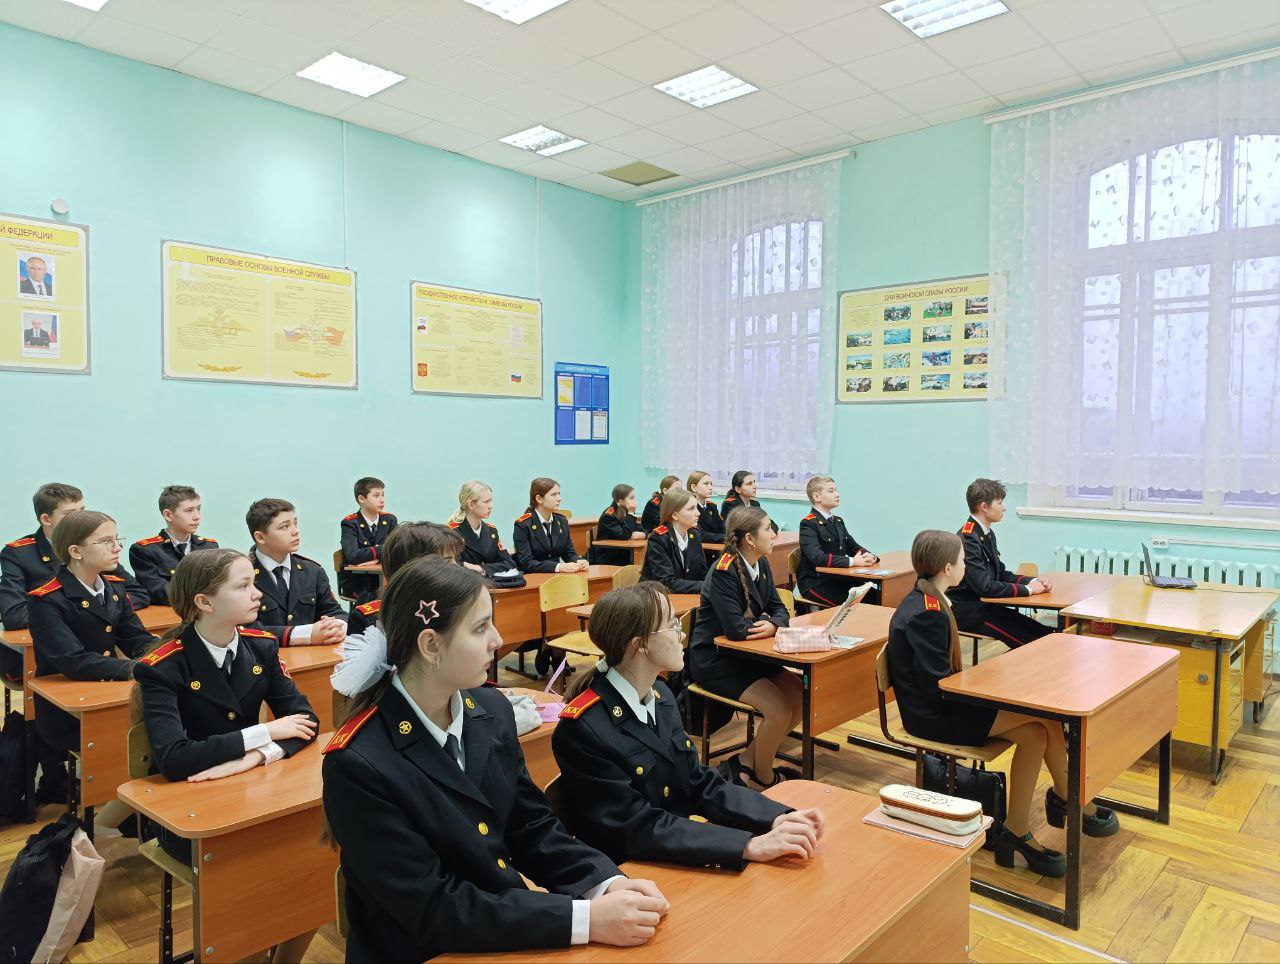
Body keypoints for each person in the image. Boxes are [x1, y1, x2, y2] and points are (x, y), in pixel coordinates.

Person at [322, 558, 670, 961]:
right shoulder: (358, 762)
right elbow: (432, 907)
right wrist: (584, 919)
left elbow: (530, 826)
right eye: (480, 627)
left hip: (502, 932)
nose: (498, 639)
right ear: (431, 645)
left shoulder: (490, 710)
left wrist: (604, 882)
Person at [887, 530, 1117, 878]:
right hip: (933, 716)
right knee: (1044, 718)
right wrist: (989, 686)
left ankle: (1018, 828)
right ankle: (1069, 800)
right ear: (948, 568)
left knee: (1037, 731)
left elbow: (944, 680)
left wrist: (985, 683)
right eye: (962, 561)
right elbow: (938, 688)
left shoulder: (930, 599)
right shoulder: (926, 612)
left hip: (944, 704)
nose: (965, 566)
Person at [553, 582, 824, 869]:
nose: (682, 634)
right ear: (640, 644)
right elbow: (637, 828)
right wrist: (746, 845)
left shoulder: (660, 694)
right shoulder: (584, 728)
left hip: (675, 854)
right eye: (672, 626)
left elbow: (697, 782)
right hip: (631, 874)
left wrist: (776, 817)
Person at [133, 548, 320, 961]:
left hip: (254, 791)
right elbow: (174, 759)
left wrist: (258, 755)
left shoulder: (261, 647)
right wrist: (263, 732)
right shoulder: (162, 666)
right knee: (254, 886)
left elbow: (306, 720)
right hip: (194, 815)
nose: (258, 594)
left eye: (254, 582)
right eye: (243, 586)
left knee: (313, 860)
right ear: (204, 602)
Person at [28, 511, 155, 815]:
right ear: (76, 551)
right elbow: (74, 661)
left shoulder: (114, 588)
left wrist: (163, 657)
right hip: (66, 711)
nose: (117, 547)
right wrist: (136, 669)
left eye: (117, 539)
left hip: (111, 695)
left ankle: (137, 809)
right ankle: (116, 811)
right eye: (106, 541)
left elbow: (137, 640)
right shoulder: (47, 599)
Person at [688, 507, 801, 789]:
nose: (774, 535)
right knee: (778, 710)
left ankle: (745, 762)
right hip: (717, 661)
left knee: (800, 698)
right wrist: (770, 622)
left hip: (749, 656)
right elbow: (736, 630)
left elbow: (780, 609)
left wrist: (773, 624)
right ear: (750, 539)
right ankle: (764, 777)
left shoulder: (761, 563)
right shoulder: (724, 570)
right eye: (768, 529)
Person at [2, 482, 149, 633]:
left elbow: (139, 593)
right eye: (71, 513)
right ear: (46, 519)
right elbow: (14, 615)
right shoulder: (19, 553)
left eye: (83, 510)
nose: (81, 518)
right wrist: (90, 609)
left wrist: (97, 609)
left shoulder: (95, 546)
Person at [948, 479, 1051, 649]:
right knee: (1035, 645)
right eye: (1000, 502)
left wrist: (1033, 582)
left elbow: (1001, 574)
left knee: (1045, 634)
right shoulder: (968, 538)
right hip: (970, 612)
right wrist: (1029, 590)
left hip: (986, 607)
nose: (1004, 508)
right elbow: (984, 587)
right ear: (984, 506)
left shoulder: (985, 533)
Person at [246, 498, 346, 646]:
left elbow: (334, 611)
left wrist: (338, 627)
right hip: (262, 656)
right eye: (285, 527)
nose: (295, 531)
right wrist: (306, 635)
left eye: (295, 524)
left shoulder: (312, 571)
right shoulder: (243, 576)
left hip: (312, 656)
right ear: (260, 537)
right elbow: (244, 628)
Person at [345, 522, 465, 637]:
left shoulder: (461, 606)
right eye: (447, 561)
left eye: (455, 560)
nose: (457, 567)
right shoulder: (369, 619)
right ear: (412, 569)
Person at [128, 484, 219, 606]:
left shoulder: (209, 547)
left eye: (198, 509)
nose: (197, 516)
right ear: (168, 515)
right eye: (189, 510)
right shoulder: (145, 550)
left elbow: (218, 585)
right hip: (170, 612)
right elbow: (159, 591)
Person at [796, 476, 880, 607]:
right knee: (863, 604)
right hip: (816, 582)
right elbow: (817, 557)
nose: (837, 494)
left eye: (836, 490)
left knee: (879, 597)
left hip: (838, 578)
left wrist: (870, 556)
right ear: (817, 497)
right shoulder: (808, 523)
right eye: (831, 491)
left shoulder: (838, 521)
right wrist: (853, 562)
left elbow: (853, 547)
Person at [339, 477, 398, 604]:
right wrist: (383, 551)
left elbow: (397, 550)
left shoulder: (390, 520)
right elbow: (353, 556)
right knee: (372, 600)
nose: (382, 500)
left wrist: (375, 559)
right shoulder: (350, 523)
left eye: (383, 495)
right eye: (376, 496)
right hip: (358, 579)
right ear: (361, 499)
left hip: (384, 577)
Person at [513, 477, 587, 575]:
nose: (559, 499)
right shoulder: (523, 525)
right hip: (534, 577)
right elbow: (526, 563)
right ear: (539, 499)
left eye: (559, 494)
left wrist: (578, 561)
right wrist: (558, 567)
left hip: (557, 576)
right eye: (553, 495)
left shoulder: (561, 521)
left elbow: (569, 553)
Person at [639, 489, 708, 594]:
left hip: (684, 596)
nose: (698, 513)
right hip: (654, 597)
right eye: (691, 509)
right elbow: (666, 582)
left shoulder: (694, 534)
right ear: (675, 515)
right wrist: (706, 586)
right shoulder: (659, 539)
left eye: (696, 508)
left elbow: (702, 571)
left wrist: (717, 582)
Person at [590, 484, 645, 566]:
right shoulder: (608, 516)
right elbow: (624, 535)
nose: (635, 501)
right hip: (610, 558)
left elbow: (641, 528)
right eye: (631, 498)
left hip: (624, 554)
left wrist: (643, 535)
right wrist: (631, 513)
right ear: (621, 502)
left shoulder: (626, 510)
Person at [687, 471, 724, 541]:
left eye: (711, 484)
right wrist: (725, 538)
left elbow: (722, 527)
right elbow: (699, 534)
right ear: (694, 487)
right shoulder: (688, 507)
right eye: (706, 484)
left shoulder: (712, 506)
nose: (710, 487)